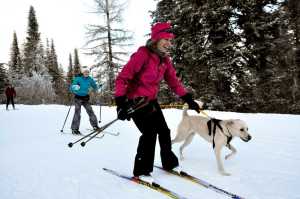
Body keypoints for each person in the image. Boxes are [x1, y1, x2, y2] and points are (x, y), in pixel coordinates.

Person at [114, 22, 203, 181]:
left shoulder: (165, 60)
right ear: (156, 39)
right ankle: (141, 171)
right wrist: (121, 103)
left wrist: (188, 99)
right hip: (135, 102)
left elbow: (174, 82)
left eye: (170, 40)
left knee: (164, 131)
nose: (169, 43)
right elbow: (122, 79)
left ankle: (169, 163)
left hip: (151, 101)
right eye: (166, 39)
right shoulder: (142, 55)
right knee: (149, 133)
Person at [70, 66, 99, 135]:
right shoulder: (78, 78)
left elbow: (94, 86)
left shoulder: (90, 79)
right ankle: (74, 129)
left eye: (88, 72)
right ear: (82, 72)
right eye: (85, 72)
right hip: (78, 98)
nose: (87, 73)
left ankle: (95, 126)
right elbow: (71, 88)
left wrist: (98, 87)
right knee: (77, 113)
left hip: (85, 98)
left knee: (90, 111)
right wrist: (74, 87)